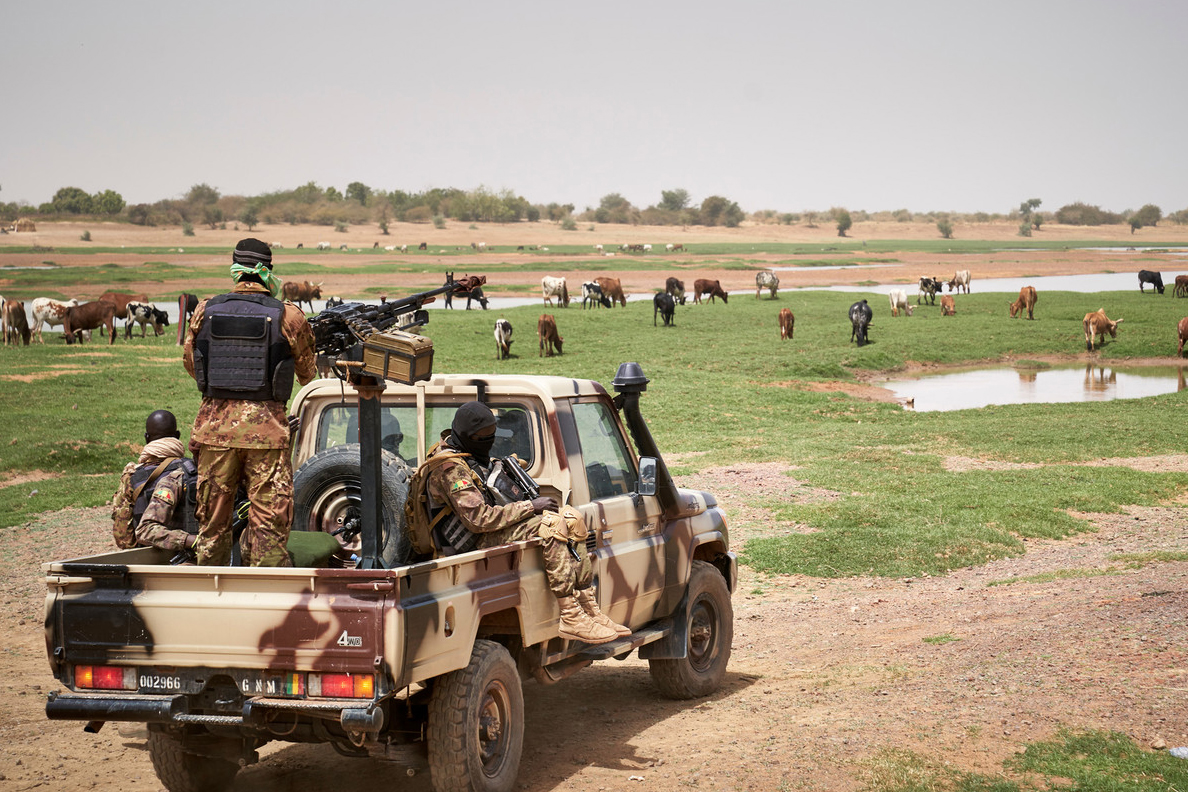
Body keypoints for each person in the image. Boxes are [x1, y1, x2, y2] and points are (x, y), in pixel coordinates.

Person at [420, 401, 629, 644]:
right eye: (483, 437)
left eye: (491, 435)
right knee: (551, 524)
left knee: (572, 518)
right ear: (466, 435)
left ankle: (589, 608)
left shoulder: (468, 454)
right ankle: (570, 616)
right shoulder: (450, 468)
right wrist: (531, 506)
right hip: (471, 541)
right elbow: (479, 519)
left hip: (489, 529)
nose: (489, 441)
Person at [183, 238, 317, 566]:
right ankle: (264, 599)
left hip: (214, 434)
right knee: (269, 528)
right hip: (267, 439)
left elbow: (191, 363)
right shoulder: (289, 315)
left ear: (235, 269)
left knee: (212, 526)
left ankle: (208, 595)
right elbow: (307, 374)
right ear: (267, 271)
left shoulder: (205, 309)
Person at [111, 410, 198, 557]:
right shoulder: (192, 470)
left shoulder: (131, 476)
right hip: (193, 552)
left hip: (150, 558)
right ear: (177, 435)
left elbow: (123, 537)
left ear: (146, 438)